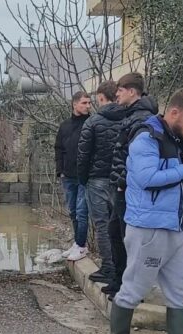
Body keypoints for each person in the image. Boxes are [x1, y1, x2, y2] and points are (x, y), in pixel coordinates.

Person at [108, 88, 183, 334]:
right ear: (174, 112)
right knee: (134, 286)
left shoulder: (172, 138)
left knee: (181, 288)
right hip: (149, 228)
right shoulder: (146, 137)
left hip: (174, 227)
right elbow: (145, 178)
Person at [104, 72, 158, 298]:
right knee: (116, 232)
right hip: (122, 186)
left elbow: (138, 156)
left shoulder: (142, 119)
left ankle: (132, 286)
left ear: (132, 92)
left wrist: (123, 182)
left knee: (129, 238)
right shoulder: (131, 115)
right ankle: (120, 280)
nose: (116, 94)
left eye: (121, 90)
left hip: (129, 189)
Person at [77, 80, 127, 284]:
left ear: (100, 97)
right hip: (120, 180)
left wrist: (83, 179)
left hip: (96, 180)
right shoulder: (128, 119)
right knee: (120, 225)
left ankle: (108, 267)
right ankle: (121, 268)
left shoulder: (93, 122)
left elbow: (83, 155)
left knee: (102, 224)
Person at [56, 91, 91, 262]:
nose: (87, 106)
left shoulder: (91, 124)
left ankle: (82, 245)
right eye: (84, 103)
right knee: (73, 211)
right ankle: (77, 243)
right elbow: (59, 149)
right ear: (74, 104)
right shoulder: (65, 126)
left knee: (82, 212)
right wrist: (60, 170)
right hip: (68, 175)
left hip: (85, 176)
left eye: (89, 103)